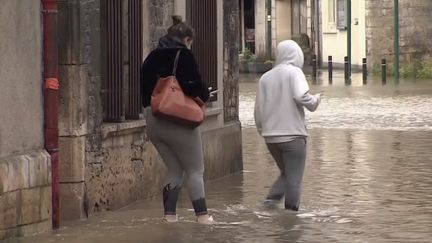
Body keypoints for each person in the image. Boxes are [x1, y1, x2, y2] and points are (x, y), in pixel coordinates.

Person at [140, 16, 214, 224]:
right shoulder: (184, 55)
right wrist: (205, 94)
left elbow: (145, 94)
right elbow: (192, 87)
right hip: (178, 120)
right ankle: (203, 218)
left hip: (153, 122)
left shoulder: (151, 57)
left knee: (174, 169)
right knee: (195, 169)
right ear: (187, 39)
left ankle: (169, 217)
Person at [254, 40, 321, 211]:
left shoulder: (265, 77)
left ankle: (269, 205)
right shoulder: (295, 72)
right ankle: (291, 218)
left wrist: (262, 129)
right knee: (294, 179)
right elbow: (302, 96)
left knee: (286, 174)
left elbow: (258, 110)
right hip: (293, 136)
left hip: (270, 137)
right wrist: (315, 100)